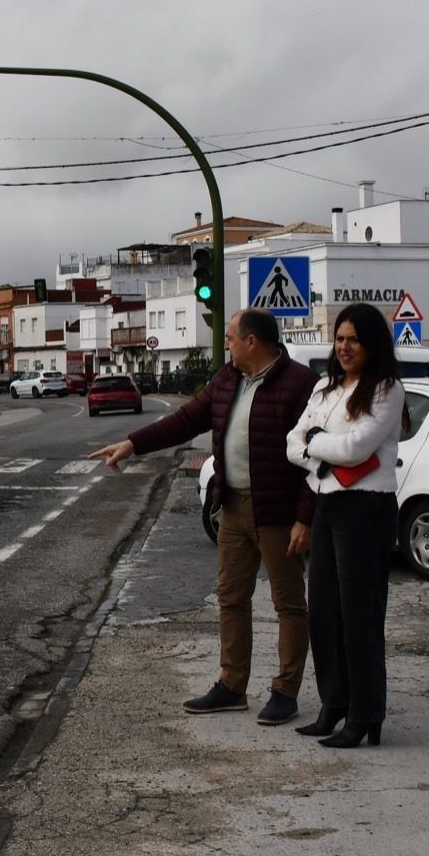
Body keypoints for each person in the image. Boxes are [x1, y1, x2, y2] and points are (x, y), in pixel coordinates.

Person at [91, 308, 317, 724]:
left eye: (230, 337)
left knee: (289, 603)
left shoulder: (301, 384)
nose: (225, 344)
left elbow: (313, 460)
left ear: (252, 341)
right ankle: (232, 686)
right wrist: (132, 444)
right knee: (231, 597)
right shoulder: (227, 379)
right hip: (231, 507)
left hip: (278, 511)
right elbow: (184, 421)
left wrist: (304, 517)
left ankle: (285, 692)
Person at [286, 302, 403, 748]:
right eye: (340, 338)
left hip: (367, 509)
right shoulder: (324, 388)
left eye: (354, 338)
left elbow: (358, 448)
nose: (345, 346)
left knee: (360, 617)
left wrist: (317, 443)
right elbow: (291, 444)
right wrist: (319, 445)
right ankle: (333, 704)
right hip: (327, 505)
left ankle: (365, 714)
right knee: (324, 616)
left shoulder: (386, 389)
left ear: (372, 343)